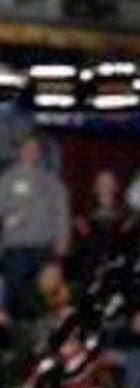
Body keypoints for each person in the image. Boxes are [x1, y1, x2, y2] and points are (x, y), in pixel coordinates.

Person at [0, 135, 69, 318]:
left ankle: (50, 329)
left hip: (44, 246)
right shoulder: (6, 179)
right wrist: (11, 217)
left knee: (50, 294)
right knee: (15, 293)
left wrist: (63, 239)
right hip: (16, 247)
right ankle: (13, 330)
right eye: (26, 147)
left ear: (39, 153)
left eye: (34, 148)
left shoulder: (50, 180)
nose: (30, 152)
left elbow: (61, 211)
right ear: (19, 151)